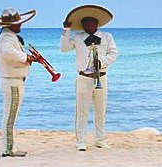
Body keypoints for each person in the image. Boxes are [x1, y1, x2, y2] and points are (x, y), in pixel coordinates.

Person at [60, 4, 118, 151]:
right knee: (82, 111)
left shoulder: (107, 36)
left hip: (101, 77)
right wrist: (66, 30)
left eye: (91, 23)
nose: (88, 26)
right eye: (85, 23)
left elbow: (113, 54)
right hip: (84, 78)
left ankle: (100, 140)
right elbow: (63, 48)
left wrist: (102, 61)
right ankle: (81, 142)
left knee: (101, 110)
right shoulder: (77, 38)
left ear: (96, 24)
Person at [0, 8, 38, 157]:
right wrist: (26, 57)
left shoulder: (7, 36)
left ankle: (9, 147)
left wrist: (25, 58)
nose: (20, 25)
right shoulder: (7, 38)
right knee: (9, 117)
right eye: (18, 23)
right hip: (12, 82)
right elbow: (9, 53)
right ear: (10, 25)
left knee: (9, 116)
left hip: (12, 81)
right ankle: (8, 149)